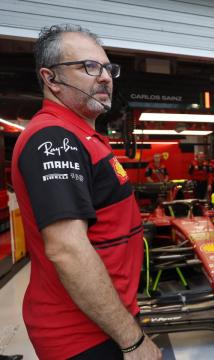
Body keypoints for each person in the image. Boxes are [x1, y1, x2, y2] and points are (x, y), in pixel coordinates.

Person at [10, 24, 161, 359]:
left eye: (108, 68)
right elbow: (68, 250)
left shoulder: (80, 135)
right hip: (83, 336)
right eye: (88, 67)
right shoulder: (55, 139)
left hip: (104, 321)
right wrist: (131, 341)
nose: (105, 77)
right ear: (50, 79)